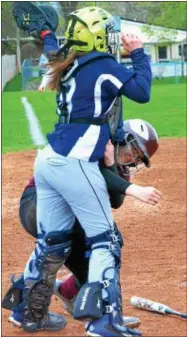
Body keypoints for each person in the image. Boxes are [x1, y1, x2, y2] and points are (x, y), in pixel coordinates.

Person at [12, 2, 154, 336]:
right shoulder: (103, 63)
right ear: (97, 38)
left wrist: (47, 33)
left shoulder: (68, 61)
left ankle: (28, 313)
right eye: (107, 33)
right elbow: (142, 92)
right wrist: (138, 52)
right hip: (75, 160)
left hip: (48, 159)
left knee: (53, 241)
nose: (112, 38)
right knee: (105, 240)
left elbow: (51, 49)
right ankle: (104, 323)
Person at [3, 119, 161, 331]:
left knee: (84, 251)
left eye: (136, 157)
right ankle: (101, 319)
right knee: (98, 242)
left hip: (67, 215)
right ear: (123, 137)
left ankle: (37, 307)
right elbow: (84, 174)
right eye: (132, 150)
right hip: (38, 203)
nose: (131, 158)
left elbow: (116, 201)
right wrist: (132, 188)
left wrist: (111, 164)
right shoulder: (94, 142)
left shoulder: (115, 161)